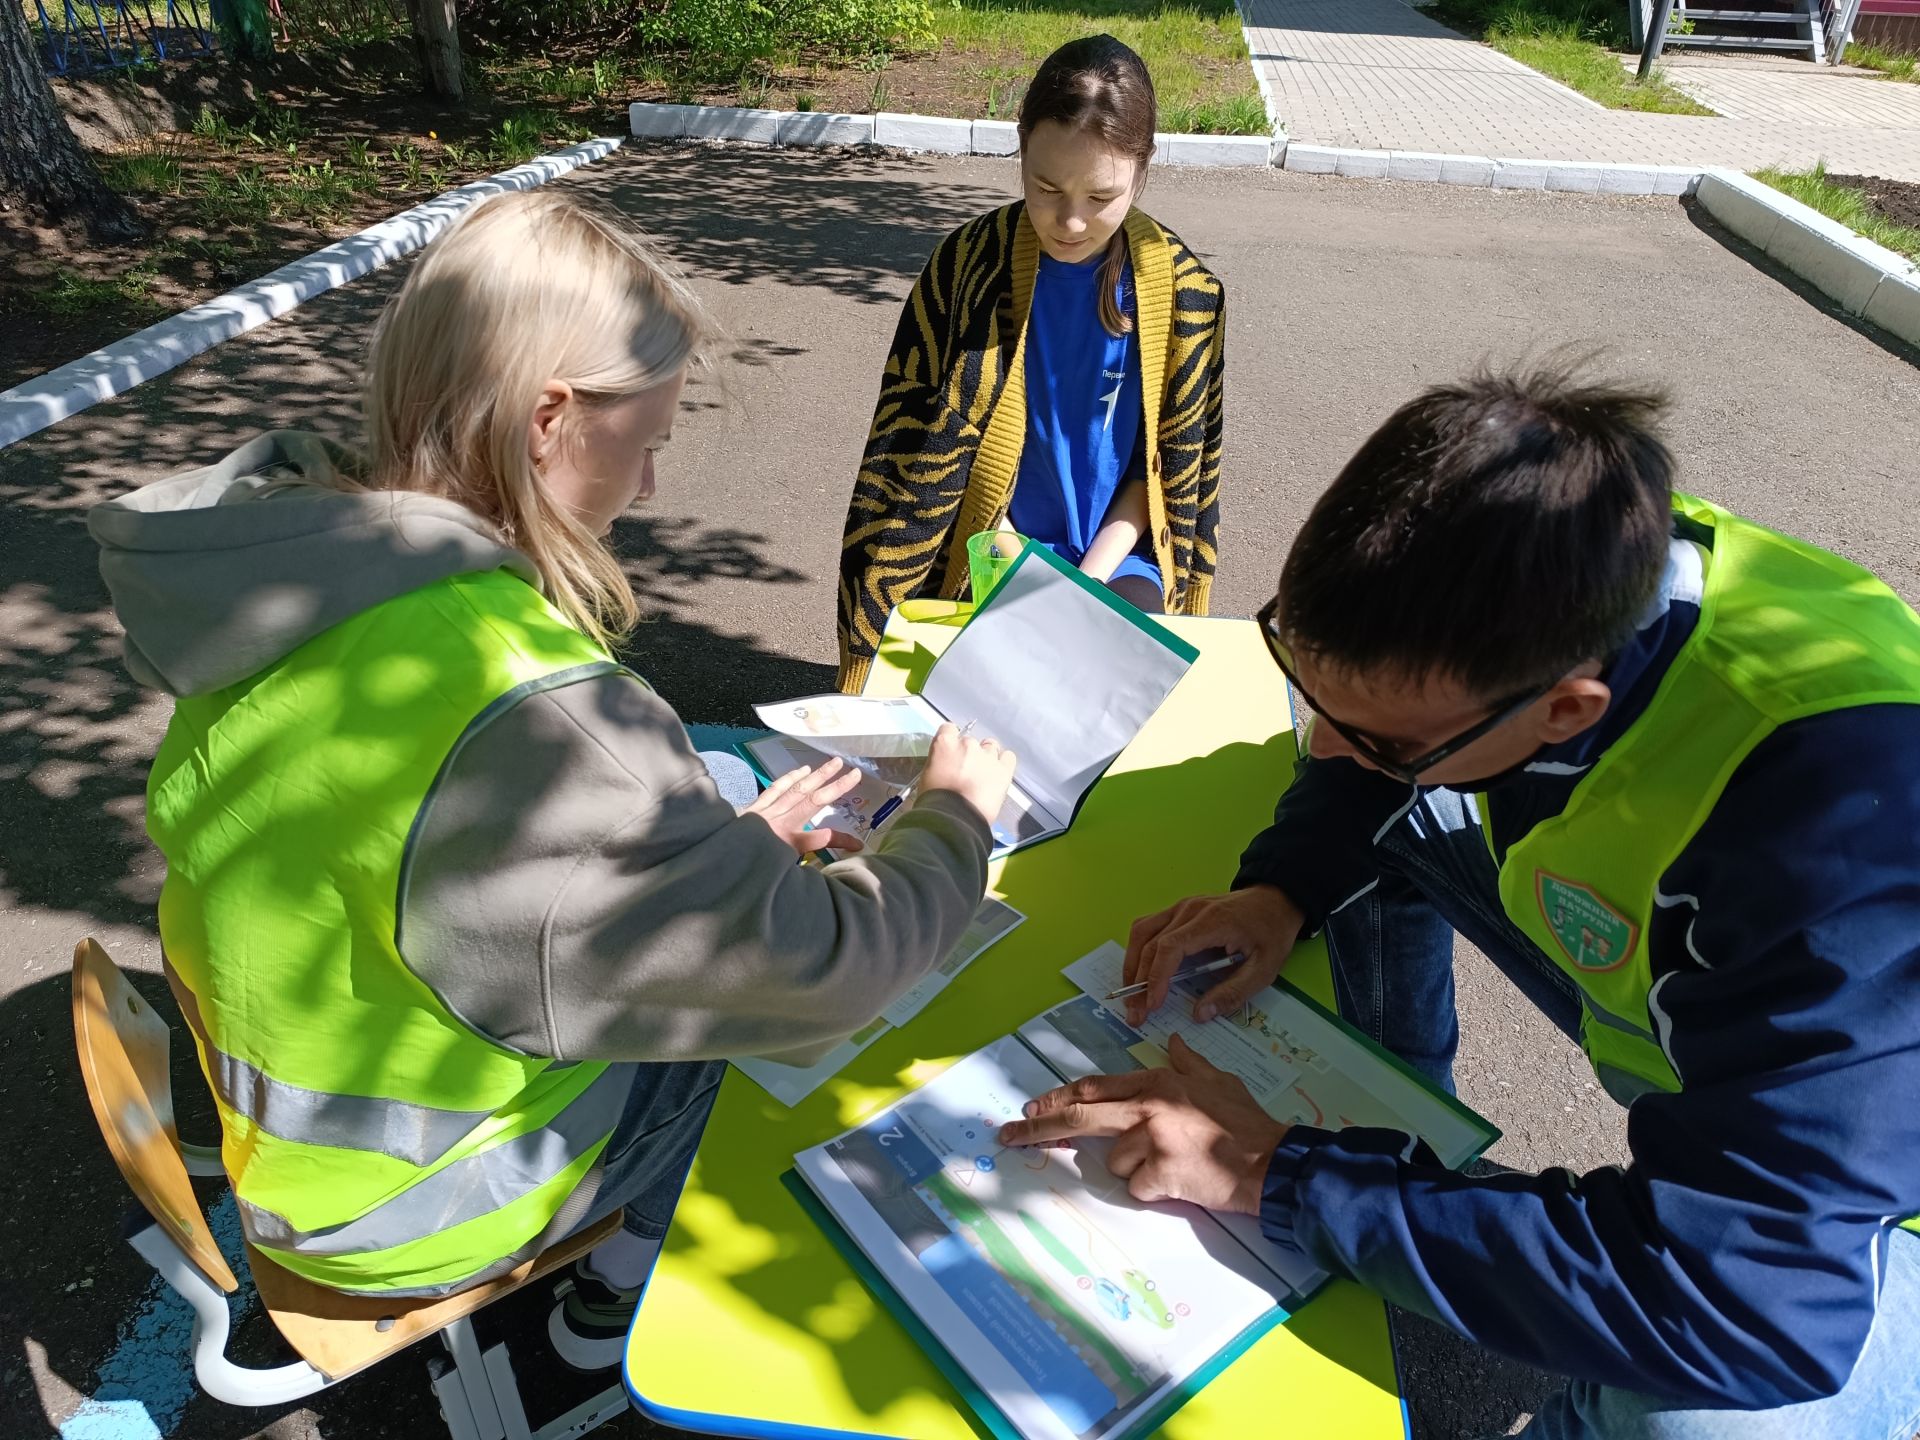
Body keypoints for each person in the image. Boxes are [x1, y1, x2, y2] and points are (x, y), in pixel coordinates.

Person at [89, 188, 1018, 1370]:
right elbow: (824, 968)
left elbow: (431, 854)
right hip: (402, 1212)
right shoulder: (537, 713)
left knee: (724, 812)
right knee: (740, 1052)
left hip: (299, 1125)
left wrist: (705, 852)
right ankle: (606, 1311)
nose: (647, 491)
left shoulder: (289, 577)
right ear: (549, 420)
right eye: (648, 444)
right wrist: (952, 817)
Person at [997, 364, 1920, 1438]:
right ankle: (1396, 1129)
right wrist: (1285, 885)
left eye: (1384, 741)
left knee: (1698, 1414)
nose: (1337, 743)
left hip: (1867, 1182)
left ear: (1567, 712)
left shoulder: (1831, 851)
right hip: (1701, 1004)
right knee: (1395, 813)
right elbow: (1362, 750)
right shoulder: (1560, 547)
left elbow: (1753, 1305)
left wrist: (1277, 1173)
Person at [834, 33, 1227, 693]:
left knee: (1119, 697)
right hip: (985, 544)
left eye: (1101, 198)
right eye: (1046, 187)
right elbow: (912, 448)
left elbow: (1164, 475)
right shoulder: (965, 267)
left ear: (1144, 168)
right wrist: (1014, 561)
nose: (1070, 221)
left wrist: (1086, 584)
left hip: (1121, 561)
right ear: (1020, 146)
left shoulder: (1188, 296)